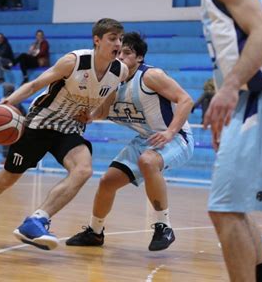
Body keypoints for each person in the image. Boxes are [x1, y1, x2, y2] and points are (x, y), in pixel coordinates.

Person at [174, 0, 262, 281]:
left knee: (225, 209)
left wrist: (228, 90)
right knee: (232, 208)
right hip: (247, 102)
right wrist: (228, 104)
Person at [0, 18, 128, 251]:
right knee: (7, 178)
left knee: (84, 170)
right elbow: (34, 85)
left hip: (69, 129)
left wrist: (93, 115)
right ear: (97, 41)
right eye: (112, 38)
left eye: (120, 39)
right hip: (40, 123)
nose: (118, 43)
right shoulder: (74, 61)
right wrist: (5, 103)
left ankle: (37, 219)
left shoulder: (120, 71)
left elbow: (108, 96)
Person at [65, 32, 194, 251]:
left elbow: (186, 99)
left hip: (175, 137)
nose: (121, 57)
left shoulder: (151, 76)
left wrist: (171, 132)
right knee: (107, 181)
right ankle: (95, 232)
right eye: (118, 52)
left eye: (127, 53)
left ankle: (163, 226)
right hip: (145, 140)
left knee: (148, 161)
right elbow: (104, 112)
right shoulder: (112, 81)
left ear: (139, 58)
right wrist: (89, 116)